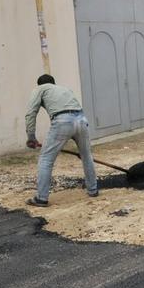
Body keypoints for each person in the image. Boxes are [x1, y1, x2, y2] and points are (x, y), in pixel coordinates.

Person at [24, 74, 97, 207]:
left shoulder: (40, 89)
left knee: (46, 159)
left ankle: (41, 198)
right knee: (87, 155)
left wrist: (31, 136)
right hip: (81, 119)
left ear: (40, 84)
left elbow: (31, 112)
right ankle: (93, 190)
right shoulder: (65, 89)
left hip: (63, 121)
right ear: (53, 83)